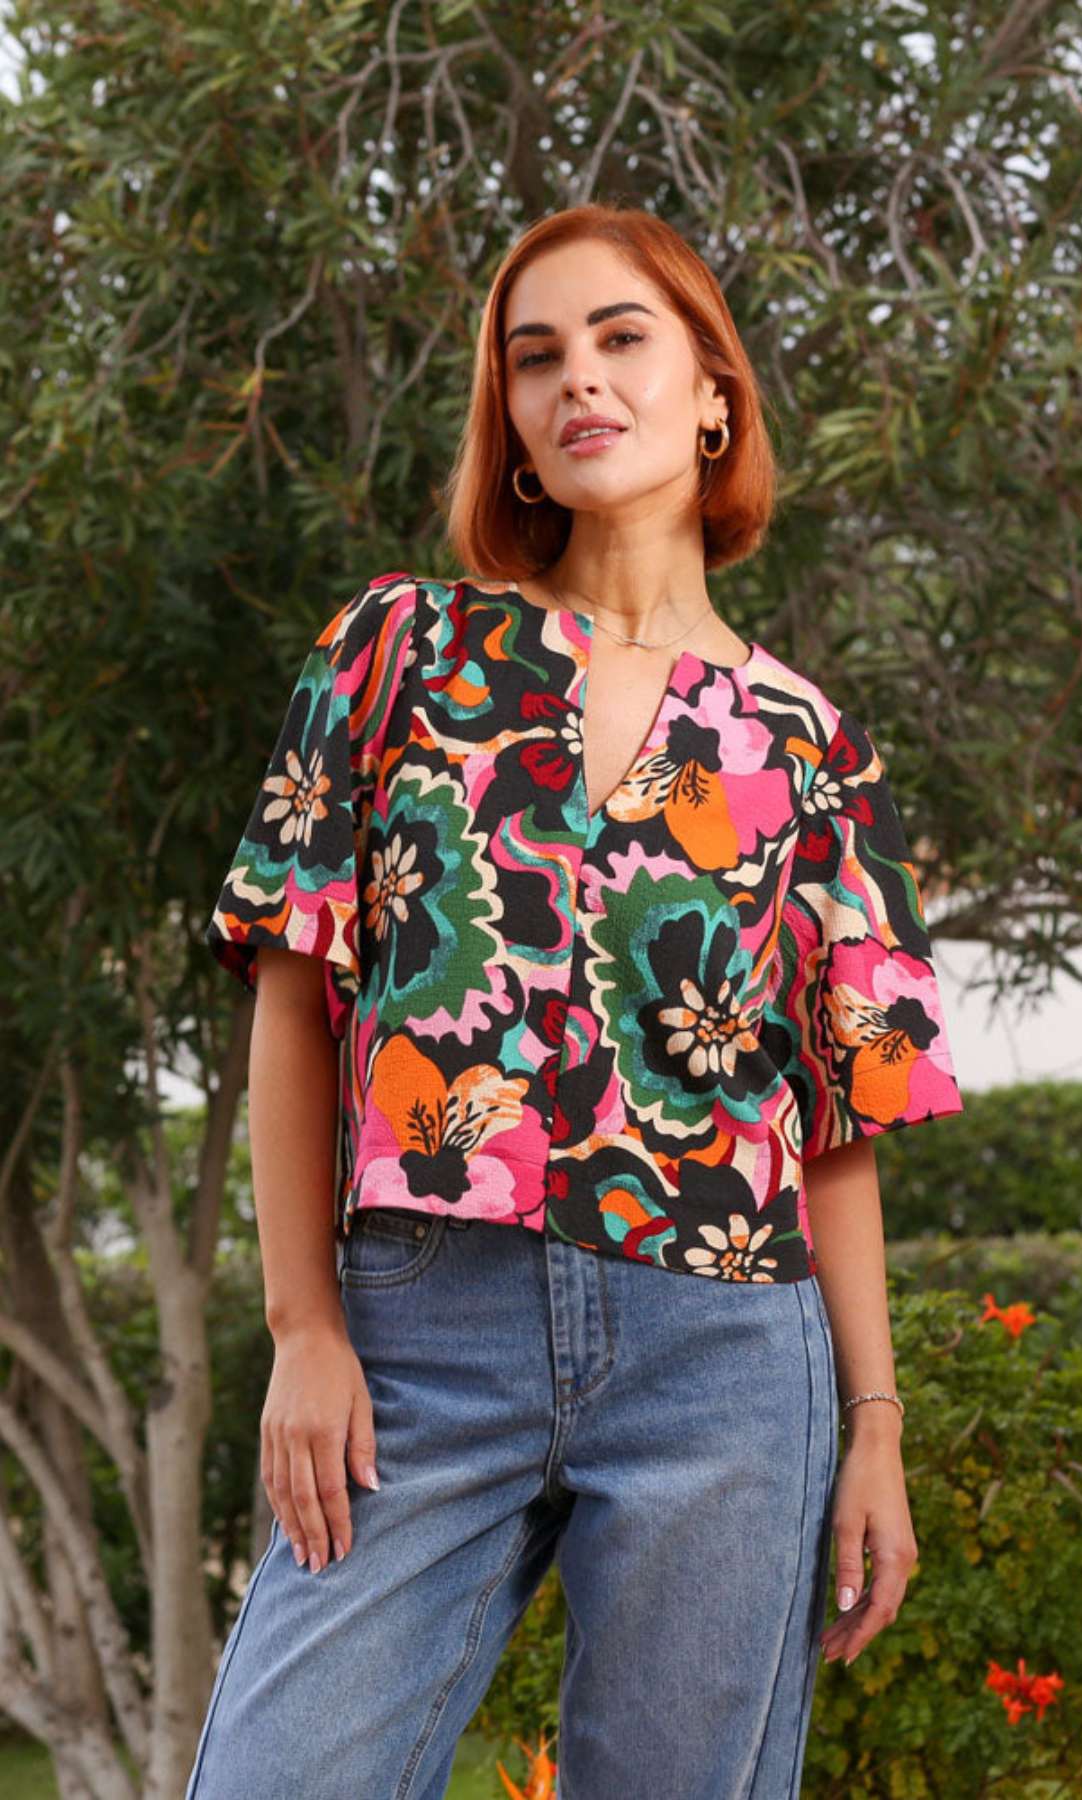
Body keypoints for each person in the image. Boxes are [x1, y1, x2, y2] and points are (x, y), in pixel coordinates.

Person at [187, 201, 964, 1800]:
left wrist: (875, 1425)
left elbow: (836, 1124)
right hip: (421, 1333)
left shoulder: (809, 743)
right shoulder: (401, 649)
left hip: (724, 1349)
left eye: (622, 339)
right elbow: (293, 996)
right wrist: (303, 1324)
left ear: (714, 397)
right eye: (536, 358)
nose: (579, 380)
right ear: (516, 426)